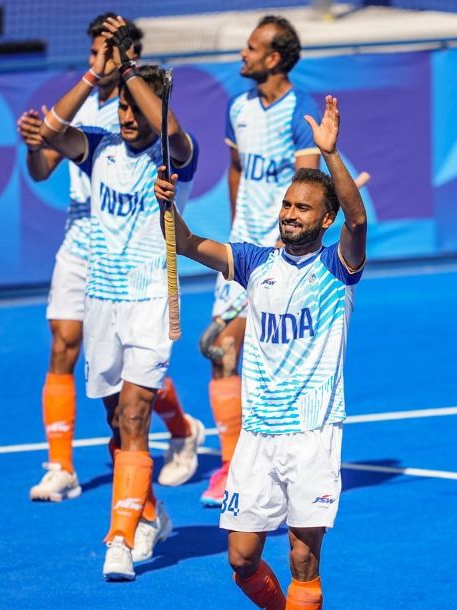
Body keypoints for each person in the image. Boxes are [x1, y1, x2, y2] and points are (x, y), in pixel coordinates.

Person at [154, 95, 365, 610]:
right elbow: (187, 243)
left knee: (302, 556)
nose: (290, 214)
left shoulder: (339, 267)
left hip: (314, 434)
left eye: (303, 207)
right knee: (243, 560)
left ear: (324, 219)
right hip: (259, 437)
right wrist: (170, 205)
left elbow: (358, 218)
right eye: (287, 205)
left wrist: (329, 154)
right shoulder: (254, 262)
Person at [17, 13, 203, 503]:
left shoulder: (151, 112)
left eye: (109, 51)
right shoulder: (85, 114)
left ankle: (178, 434)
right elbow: (42, 162)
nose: (100, 59)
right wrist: (38, 137)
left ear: (129, 56)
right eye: (95, 51)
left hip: (140, 265)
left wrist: (128, 72)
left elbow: (171, 129)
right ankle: (61, 466)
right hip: (86, 247)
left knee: (136, 385)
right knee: (70, 352)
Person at [200, 15, 322, 507]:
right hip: (241, 253)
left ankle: (273, 465)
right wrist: (239, 233)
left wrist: (281, 250)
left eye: (251, 48)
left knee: (255, 358)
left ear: (273, 58)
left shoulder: (301, 111)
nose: (242, 55)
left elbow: (308, 191)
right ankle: (232, 466)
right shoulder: (238, 108)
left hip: (282, 259)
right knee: (221, 354)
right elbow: (236, 170)